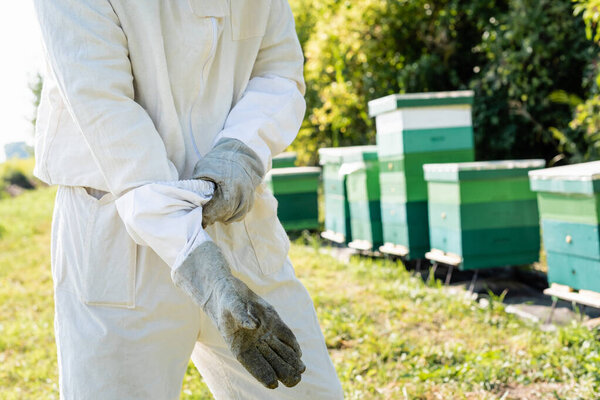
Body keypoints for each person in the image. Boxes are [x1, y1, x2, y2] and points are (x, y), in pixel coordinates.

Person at [32, 0, 344, 399]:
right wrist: (201, 268)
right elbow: (105, 110)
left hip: (235, 211)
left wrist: (241, 150)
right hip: (120, 237)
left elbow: (278, 68)